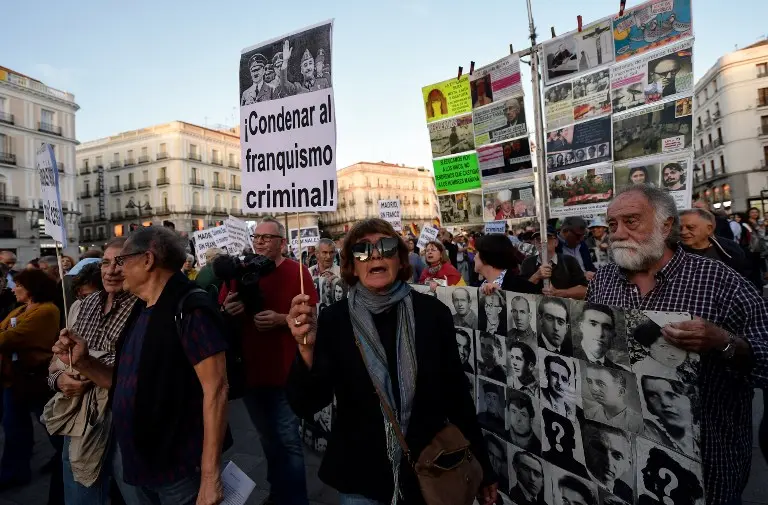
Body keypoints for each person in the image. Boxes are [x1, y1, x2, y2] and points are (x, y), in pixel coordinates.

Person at [285, 218, 498, 504]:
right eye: (362, 250)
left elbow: (456, 394)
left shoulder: (432, 314)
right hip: (361, 477)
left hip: (428, 472)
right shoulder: (335, 320)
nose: (375, 255)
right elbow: (307, 403)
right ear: (352, 266)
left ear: (400, 260)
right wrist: (305, 351)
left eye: (386, 247)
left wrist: (483, 466)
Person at [586, 184, 768, 504]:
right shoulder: (603, 280)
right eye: (612, 224)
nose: (618, 233)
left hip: (708, 459)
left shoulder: (719, 281)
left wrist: (723, 342)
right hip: (625, 454)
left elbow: (764, 358)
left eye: (631, 221)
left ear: (666, 224)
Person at [221, 218, 317, 505]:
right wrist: (227, 309)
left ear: (282, 243)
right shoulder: (239, 273)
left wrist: (281, 319)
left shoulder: (298, 272)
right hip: (251, 373)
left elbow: (311, 317)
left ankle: (296, 500)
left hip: (286, 371)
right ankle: (278, 494)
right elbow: (222, 310)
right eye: (257, 237)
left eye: (267, 237)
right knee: (268, 439)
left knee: (288, 441)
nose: (260, 242)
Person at [46, 237, 140, 504]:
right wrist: (58, 379)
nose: (111, 271)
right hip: (80, 420)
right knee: (80, 492)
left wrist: (88, 365)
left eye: (120, 263)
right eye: (106, 263)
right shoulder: (84, 304)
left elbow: (136, 371)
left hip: (125, 421)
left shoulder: (145, 307)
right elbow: (58, 359)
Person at [0, 268, 60, 489]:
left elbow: (10, 337)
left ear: (32, 289)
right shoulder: (22, 309)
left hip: (34, 378)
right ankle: (14, 472)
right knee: (14, 427)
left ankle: (67, 459)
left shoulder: (46, 310)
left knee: (51, 424)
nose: (14, 289)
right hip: (15, 378)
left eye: (19, 286)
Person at [679, 208, 755, 284]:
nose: (683, 232)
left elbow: (744, 279)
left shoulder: (730, 249)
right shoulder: (674, 250)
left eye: (690, 227)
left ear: (709, 229)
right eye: (680, 228)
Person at [640, 376, 699, 459]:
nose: (664, 402)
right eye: (653, 395)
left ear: (692, 398)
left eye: (671, 394)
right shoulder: (648, 431)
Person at [520, 226, 588, 299]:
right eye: (538, 239)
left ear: (556, 242)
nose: (542, 242)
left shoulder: (569, 261)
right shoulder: (527, 262)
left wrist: (557, 293)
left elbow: (584, 290)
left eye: (547, 238)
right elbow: (520, 292)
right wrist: (536, 276)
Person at [581, 420, 633, 503]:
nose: (609, 462)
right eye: (600, 449)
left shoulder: (628, 493)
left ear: (628, 464)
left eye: (617, 456)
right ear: (584, 447)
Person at [583, 363, 643, 433]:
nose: (593, 388)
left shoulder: (638, 423)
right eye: (589, 381)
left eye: (600, 383)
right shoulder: (589, 414)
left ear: (621, 392)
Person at [573, 304, 627, 370]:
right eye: (593, 324)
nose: (600, 333)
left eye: (606, 327)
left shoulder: (620, 370)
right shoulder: (568, 354)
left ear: (612, 334)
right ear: (581, 326)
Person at [540, 354, 578, 420]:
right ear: (546, 374)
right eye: (555, 375)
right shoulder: (539, 394)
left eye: (564, 379)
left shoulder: (572, 409)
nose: (559, 382)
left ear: (568, 384)